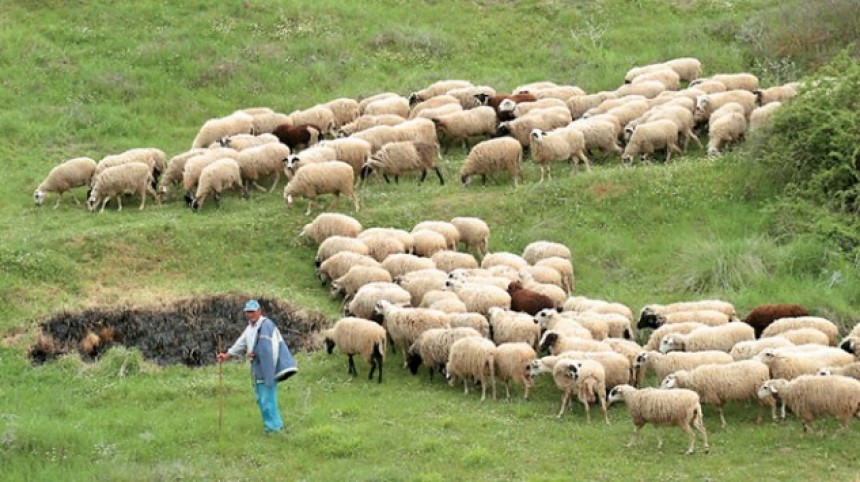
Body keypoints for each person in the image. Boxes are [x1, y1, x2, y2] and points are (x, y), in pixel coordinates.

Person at [217, 299, 297, 434]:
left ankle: (274, 428)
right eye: (247, 312)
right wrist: (227, 355)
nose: (250, 314)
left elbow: (267, 348)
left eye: (252, 312)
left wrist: (255, 354)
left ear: (259, 311)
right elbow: (241, 343)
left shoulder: (266, 325)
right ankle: (272, 426)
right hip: (257, 368)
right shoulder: (250, 328)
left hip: (267, 368)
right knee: (261, 399)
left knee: (267, 399)